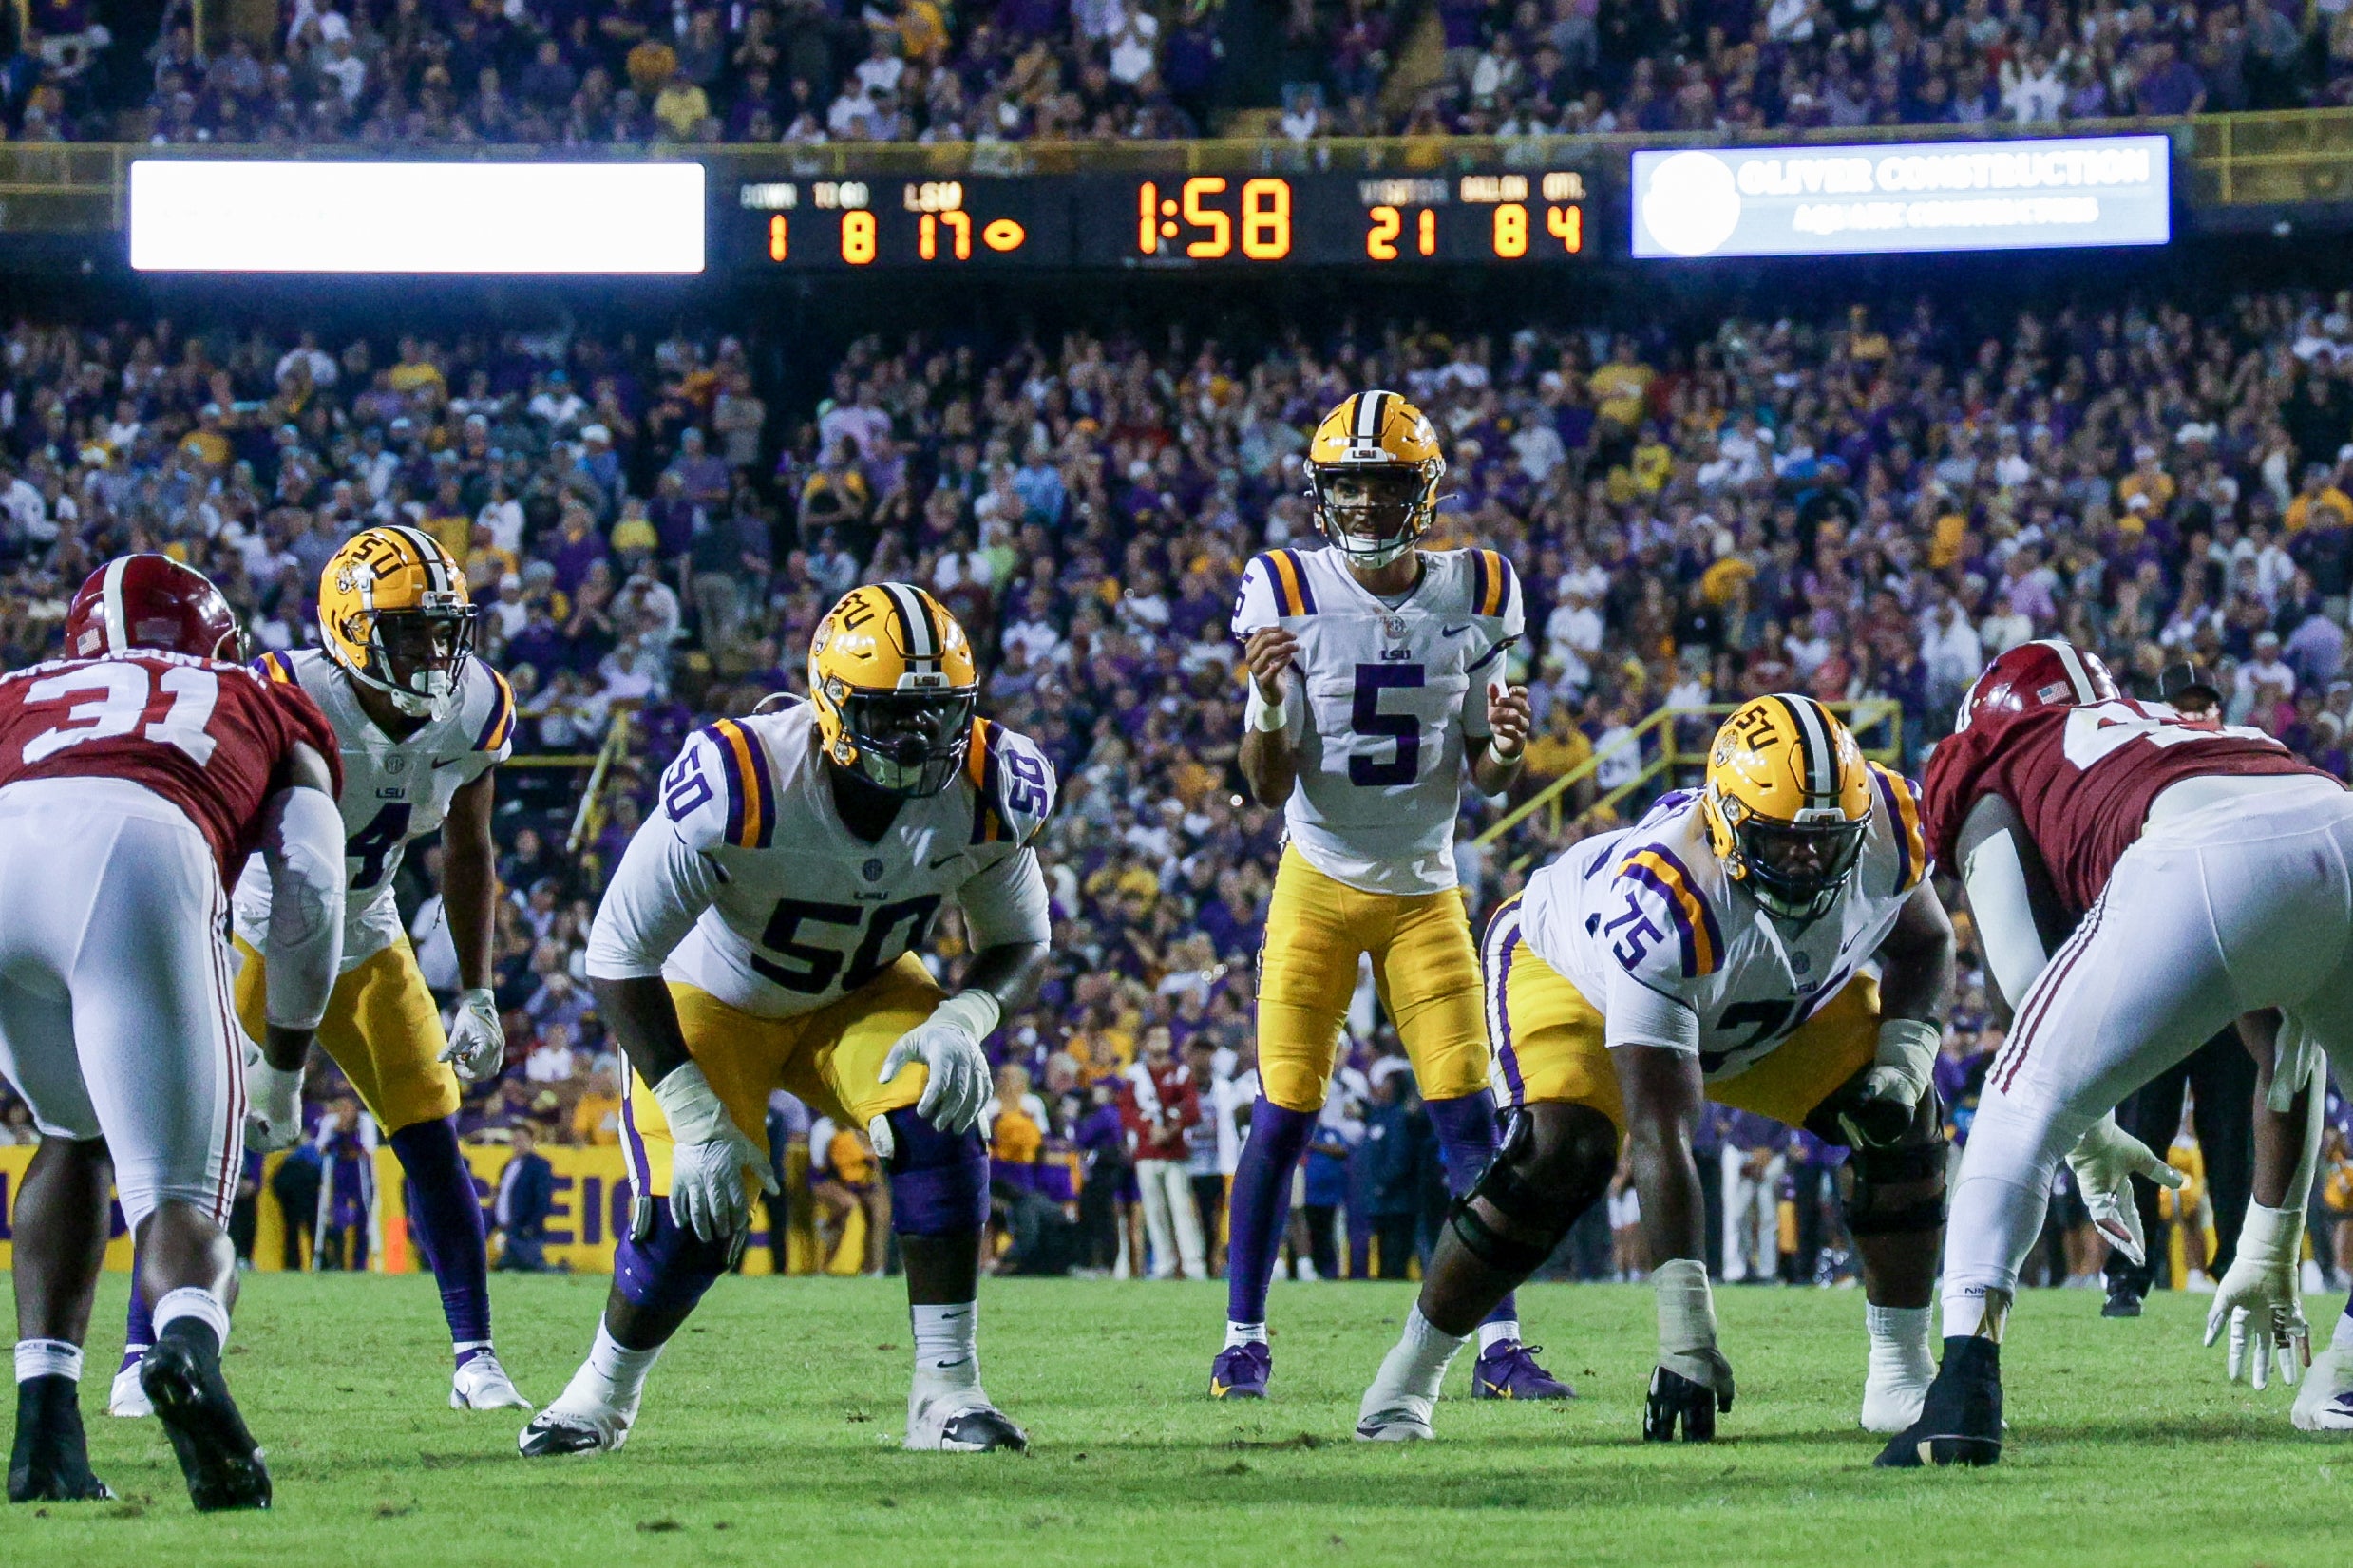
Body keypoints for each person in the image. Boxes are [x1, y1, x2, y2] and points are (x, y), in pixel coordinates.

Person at [522, 582, 1053, 1457]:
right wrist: (693, 1114)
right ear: (831, 704)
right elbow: (617, 953)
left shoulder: (990, 783)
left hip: (864, 989)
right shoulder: (744, 781)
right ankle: (599, 1395)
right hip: (715, 994)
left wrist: (965, 1013)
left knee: (940, 1114)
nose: (920, 740)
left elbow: (1021, 939)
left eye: (937, 713)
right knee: (695, 1208)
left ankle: (947, 1393)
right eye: (893, 715)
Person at [1357, 695, 1956, 1444]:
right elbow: (1660, 1131)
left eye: (1826, 840)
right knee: (1561, 1155)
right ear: (1727, 820)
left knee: (1903, 1119)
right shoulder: (1664, 900)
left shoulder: (1889, 824)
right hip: (1577, 977)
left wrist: (1901, 1063)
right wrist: (1686, 1340)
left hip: (1770, 1002)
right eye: (1783, 840)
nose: (1808, 860)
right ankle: (1406, 1379)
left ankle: (1901, 1374)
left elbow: (1925, 943)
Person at [1885, 637, 2352, 1465]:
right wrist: (2268, 1236)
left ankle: (1960, 1390)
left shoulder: (2006, 759)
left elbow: (2022, 986)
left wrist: (2084, 1137)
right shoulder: (2172, 727)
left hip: (2205, 862)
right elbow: (2289, 1047)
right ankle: (2344, 1375)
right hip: (2333, 813)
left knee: (2017, 1088)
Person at [113, 526, 530, 1420]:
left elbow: (469, 848)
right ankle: (137, 1351)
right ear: (349, 628)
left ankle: (474, 1355)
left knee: (429, 1131)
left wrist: (478, 990)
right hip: (258, 925)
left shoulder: (472, 706)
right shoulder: (279, 693)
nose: (434, 650)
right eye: (410, 630)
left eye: (443, 628)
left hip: (369, 924)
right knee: (195, 1148)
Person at [1213, 390, 1567, 1404]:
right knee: (1282, 1108)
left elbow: (1488, 773)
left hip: (1424, 889)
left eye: (1384, 482)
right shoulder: (1281, 587)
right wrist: (1272, 703)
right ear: (1322, 491)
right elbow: (1265, 783)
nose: (1365, 502)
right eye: (1348, 483)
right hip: (1316, 882)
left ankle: (1497, 1344)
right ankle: (1242, 1336)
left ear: (1425, 491)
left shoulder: (1479, 589)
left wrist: (1503, 752)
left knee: (1470, 1117)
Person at [1, 555, 346, 1510]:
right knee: (181, 1194)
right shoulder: (253, 693)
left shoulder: (18, 688)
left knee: (69, 1136)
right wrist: (285, 1058)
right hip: (137, 849)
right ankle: (186, 1354)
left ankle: (44, 1438)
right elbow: (313, 884)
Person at [2099, 658, 2258, 1318]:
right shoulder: (2133, 778)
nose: (2195, 714)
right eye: (2182, 704)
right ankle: (2126, 1274)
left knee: (2229, 1140)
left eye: (2203, 703)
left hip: (2225, 981)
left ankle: (2237, 1270)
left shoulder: (2246, 768)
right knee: (2143, 1132)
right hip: (2160, 980)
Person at [1122, 1025, 1204, 1278]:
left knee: (1182, 1209)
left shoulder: (1180, 1072)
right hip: (1147, 1152)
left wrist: (1169, 1130)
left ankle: (1193, 1264)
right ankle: (1164, 1263)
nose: (1160, 1042)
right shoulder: (1135, 1075)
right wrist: (1150, 1130)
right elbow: (1127, 1111)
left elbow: (1192, 1110)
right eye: (1155, 1037)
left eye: (1165, 1037)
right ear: (1145, 1043)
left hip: (1174, 1151)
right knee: (1154, 1210)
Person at [494, 1124, 560, 1273]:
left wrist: (531, 1226)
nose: (517, 1143)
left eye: (522, 1139)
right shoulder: (508, 1165)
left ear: (531, 1141)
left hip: (525, 1230)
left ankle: (558, 1270)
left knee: (533, 1267)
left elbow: (543, 1199)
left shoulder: (539, 1165)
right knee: (507, 1267)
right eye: (514, 1139)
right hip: (508, 1229)